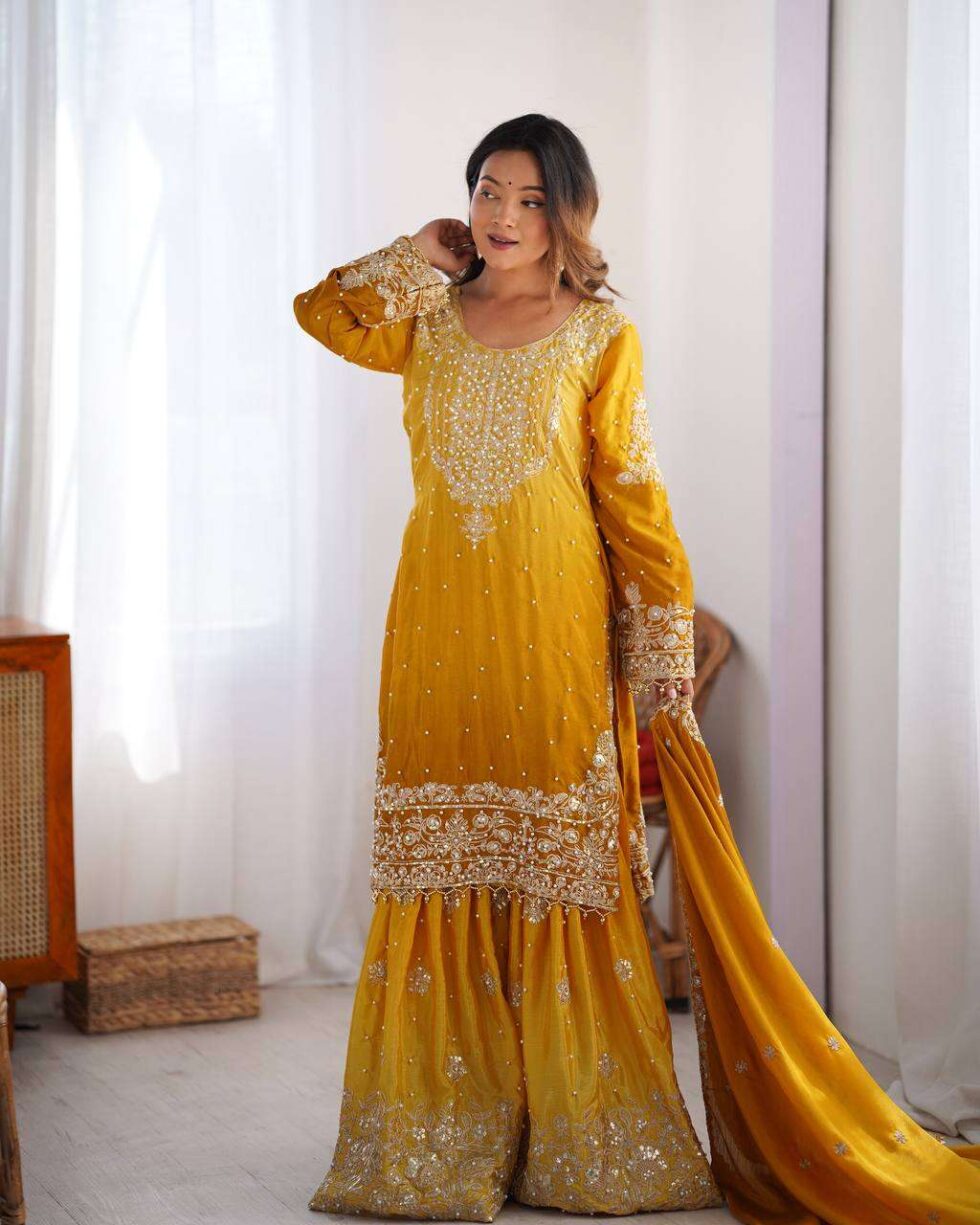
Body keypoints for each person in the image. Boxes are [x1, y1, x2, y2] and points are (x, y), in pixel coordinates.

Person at [294, 114, 980, 1223]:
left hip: (556, 637)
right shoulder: (424, 315)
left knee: (563, 872)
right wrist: (413, 252)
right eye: (487, 190)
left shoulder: (598, 335)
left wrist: (660, 650)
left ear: (565, 213)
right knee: (441, 868)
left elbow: (632, 495)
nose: (502, 215)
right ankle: (438, 1138)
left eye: (528, 199)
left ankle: (582, 1141)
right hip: (435, 636)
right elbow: (322, 316)